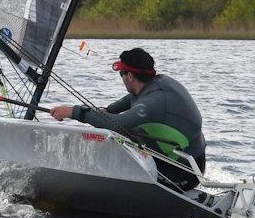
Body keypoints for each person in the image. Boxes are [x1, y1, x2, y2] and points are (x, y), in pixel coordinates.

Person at [50, 47, 207, 191]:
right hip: (180, 159)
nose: (121, 78)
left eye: (121, 74)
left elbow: (117, 124)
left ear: (130, 76)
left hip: (184, 172)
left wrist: (72, 112)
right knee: (124, 135)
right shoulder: (155, 84)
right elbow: (126, 102)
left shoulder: (154, 101)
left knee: (122, 132)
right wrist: (105, 111)